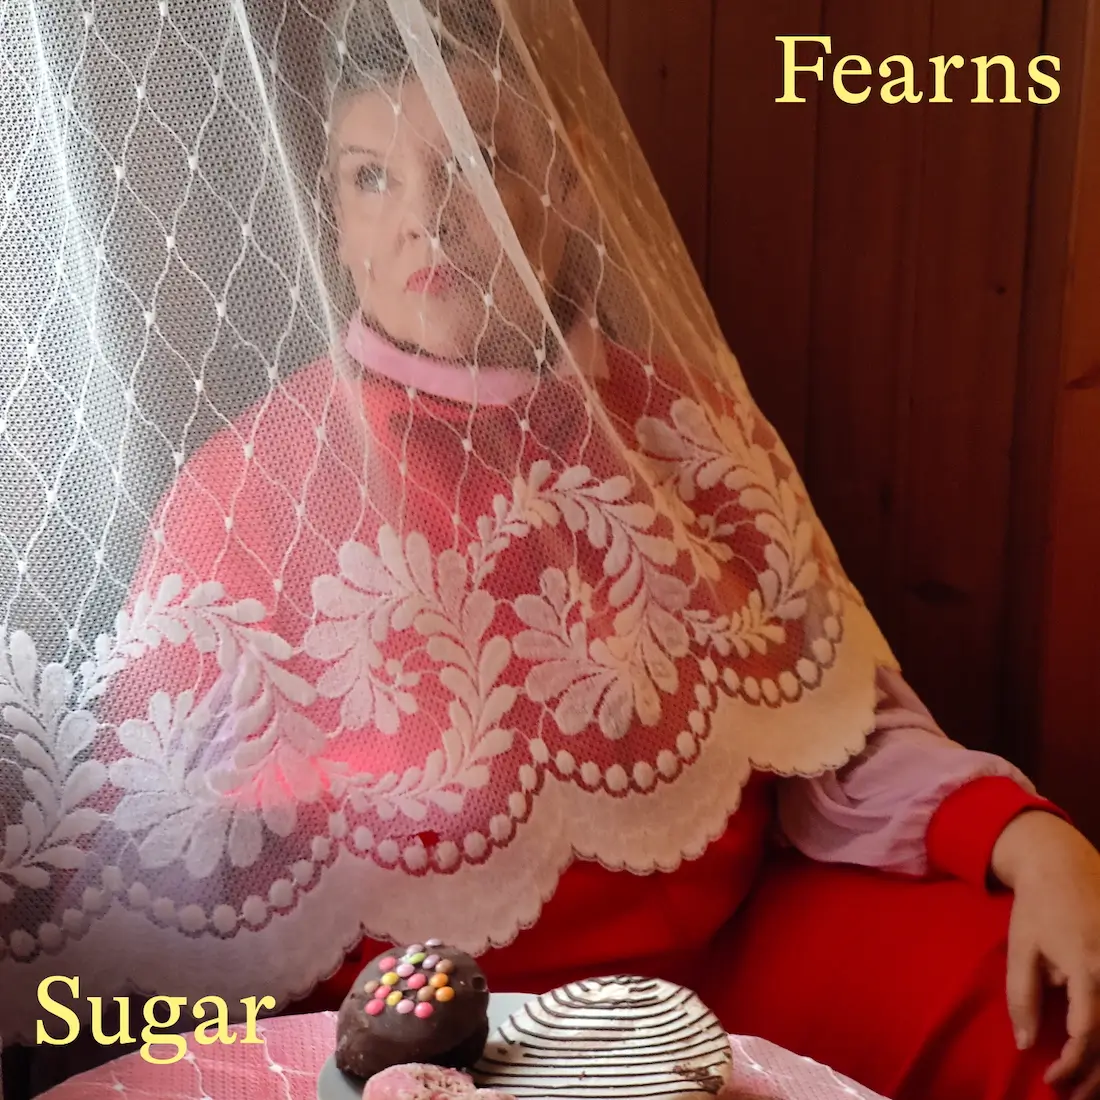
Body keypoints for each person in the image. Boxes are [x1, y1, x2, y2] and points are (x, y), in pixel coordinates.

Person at [92, 2, 1100, 1098]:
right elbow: (180, 886)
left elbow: (828, 728)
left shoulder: (685, 425)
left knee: (1050, 1014)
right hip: (444, 1041)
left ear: (567, 184)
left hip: (736, 958)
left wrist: (1027, 838)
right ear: (329, 223)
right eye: (371, 178)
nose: (425, 217)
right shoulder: (244, 493)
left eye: (476, 160)